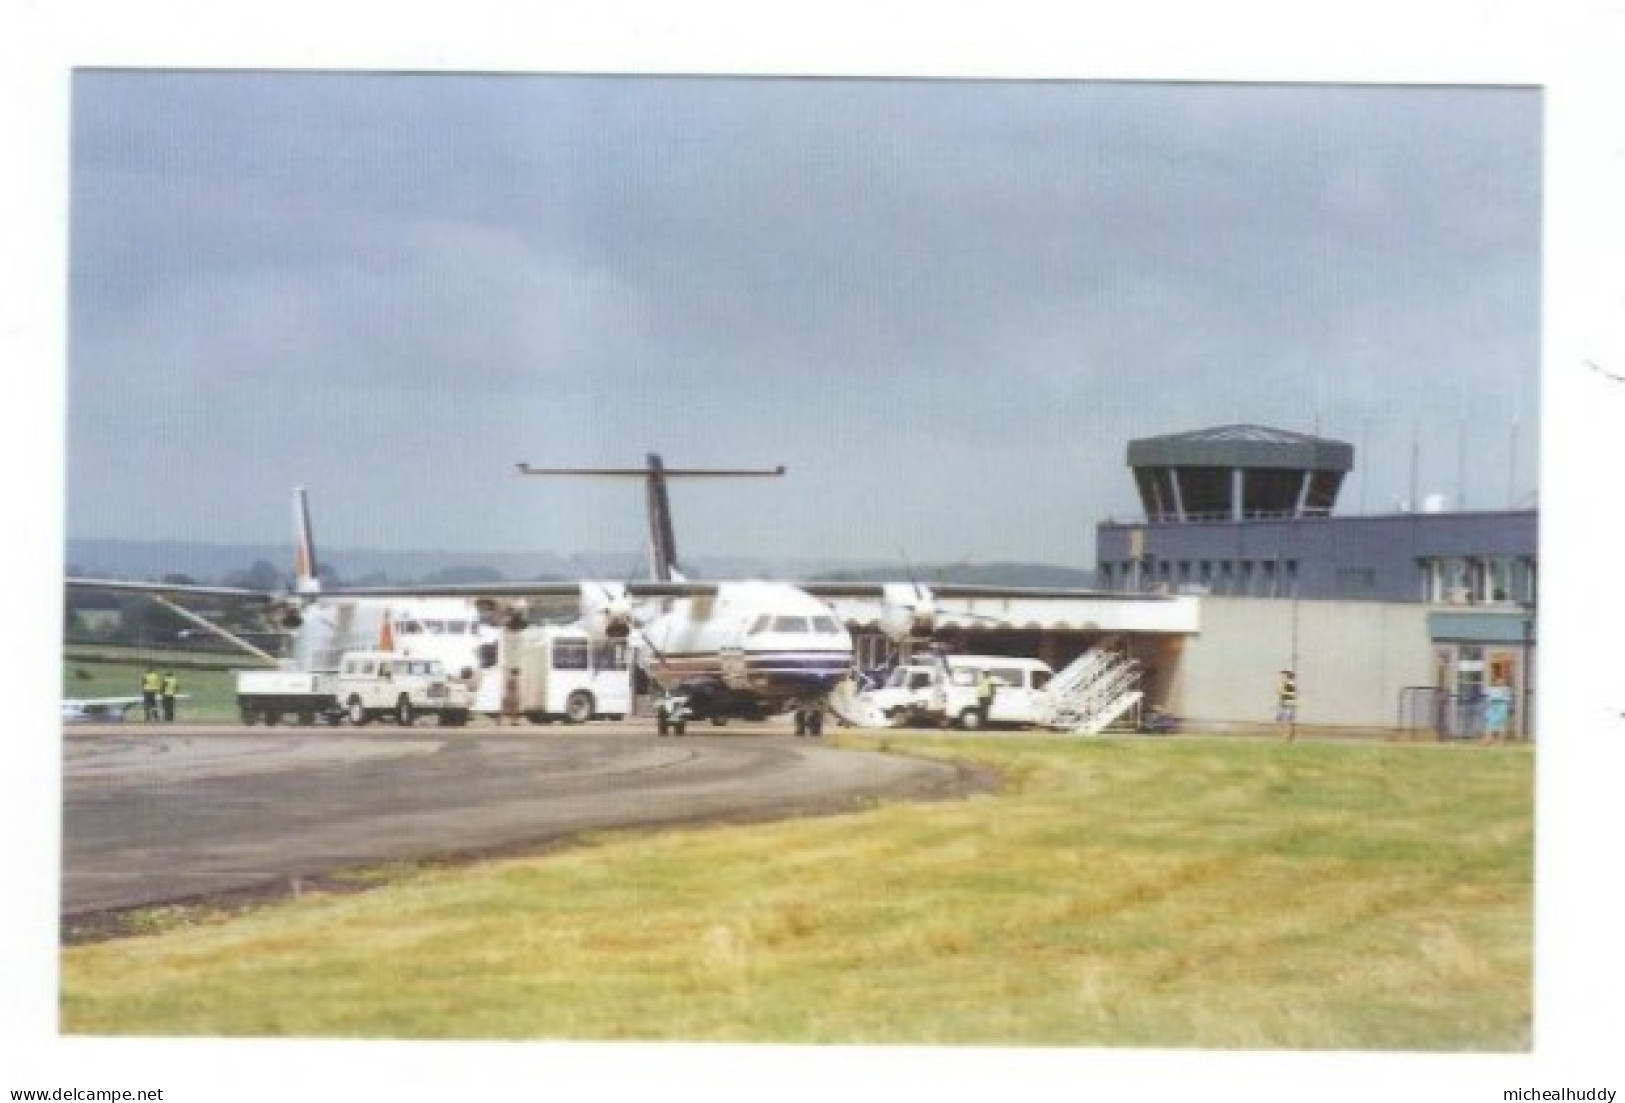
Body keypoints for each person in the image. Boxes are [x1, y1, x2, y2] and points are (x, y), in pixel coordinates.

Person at [1482, 678, 1512, 745]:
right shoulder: (1491, 689)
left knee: (1501, 724)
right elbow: (1486, 696)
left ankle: (1501, 741)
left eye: (1501, 681)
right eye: (1498, 681)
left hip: (1501, 707)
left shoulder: (1506, 689)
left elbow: (1507, 699)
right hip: (1492, 707)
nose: (1499, 682)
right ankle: (1488, 739)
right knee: (1489, 724)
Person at [1276, 669, 1298, 741]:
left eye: (1283, 675)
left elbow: (1291, 694)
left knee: (1288, 722)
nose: (1282, 677)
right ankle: (1284, 737)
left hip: (1288, 705)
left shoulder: (1290, 684)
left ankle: (1288, 738)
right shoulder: (1284, 684)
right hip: (1283, 705)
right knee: (1280, 721)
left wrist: (1282, 692)